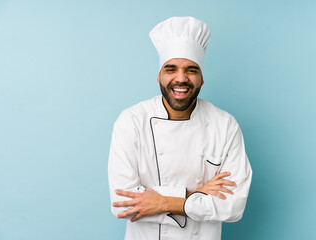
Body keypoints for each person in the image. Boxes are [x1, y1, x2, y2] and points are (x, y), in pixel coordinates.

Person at [108, 16, 252, 240]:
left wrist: (163, 202)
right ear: (159, 76)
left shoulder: (224, 125)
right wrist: (197, 193)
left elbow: (233, 206)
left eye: (191, 70)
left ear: (202, 78)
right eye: (171, 69)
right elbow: (123, 205)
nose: (181, 78)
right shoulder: (131, 121)